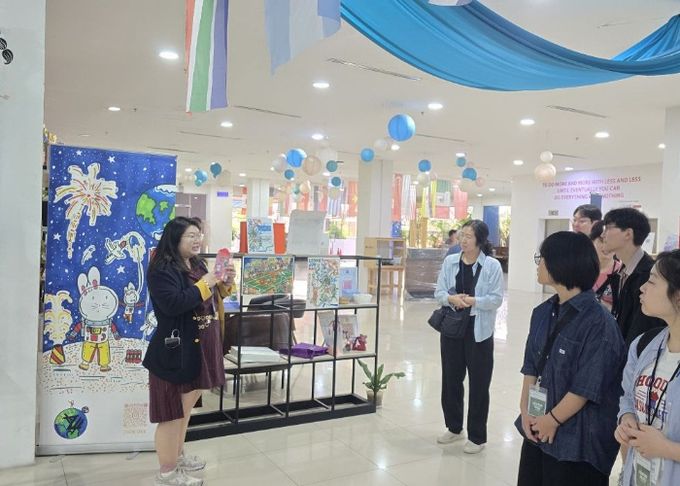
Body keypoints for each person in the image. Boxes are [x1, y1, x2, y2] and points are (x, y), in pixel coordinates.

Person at [516, 231, 626, 486]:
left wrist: (552, 420)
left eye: (542, 258)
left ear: (561, 263)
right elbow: (531, 366)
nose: (538, 264)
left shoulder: (598, 322)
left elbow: (587, 386)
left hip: (577, 442)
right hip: (537, 428)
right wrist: (526, 411)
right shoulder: (543, 312)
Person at [143, 216, 235, 486]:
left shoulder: (196, 263)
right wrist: (207, 282)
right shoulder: (161, 269)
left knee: (185, 411)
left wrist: (224, 282)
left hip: (201, 346)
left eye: (199, 235)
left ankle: (178, 455)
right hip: (175, 351)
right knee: (172, 415)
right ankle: (167, 472)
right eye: (191, 236)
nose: (197, 240)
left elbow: (210, 298)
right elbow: (174, 304)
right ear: (175, 239)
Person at [434, 220, 504, 453]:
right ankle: (454, 427)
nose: (463, 240)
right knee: (451, 379)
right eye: (462, 235)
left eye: (469, 236)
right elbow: (439, 292)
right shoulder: (450, 261)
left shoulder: (492, 266)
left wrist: (473, 301)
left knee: (479, 383)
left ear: (480, 240)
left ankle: (477, 437)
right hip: (453, 327)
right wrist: (451, 299)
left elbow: (496, 299)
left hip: (479, 330)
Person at [615, 250, 680, 486]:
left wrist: (667, 448)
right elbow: (628, 399)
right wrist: (627, 419)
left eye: (652, 281)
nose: (642, 288)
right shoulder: (643, 345)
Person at [602, 208, 665, 346]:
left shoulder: (649, 276)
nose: (602, 235)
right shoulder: (622, 272)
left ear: (628, 234)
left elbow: (642, 329)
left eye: (608, 228)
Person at [590, 220, 622, 311]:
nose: (608, 246)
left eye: (613, 241)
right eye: (602, 240)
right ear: (592, 241)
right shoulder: (580, 271)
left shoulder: (623, 272)